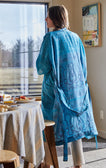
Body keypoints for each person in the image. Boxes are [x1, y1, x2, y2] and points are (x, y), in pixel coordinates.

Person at [36, 5, 98, 168]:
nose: (45, 19)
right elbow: (83, 66)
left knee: (48, 126)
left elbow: (42, 66)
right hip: (75, 90)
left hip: (55, 91)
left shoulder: (50, 38)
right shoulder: (75, 37)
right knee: (74, 124)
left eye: (48, 16)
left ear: (55, 18)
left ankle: (47, 162)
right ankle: (78, 162)